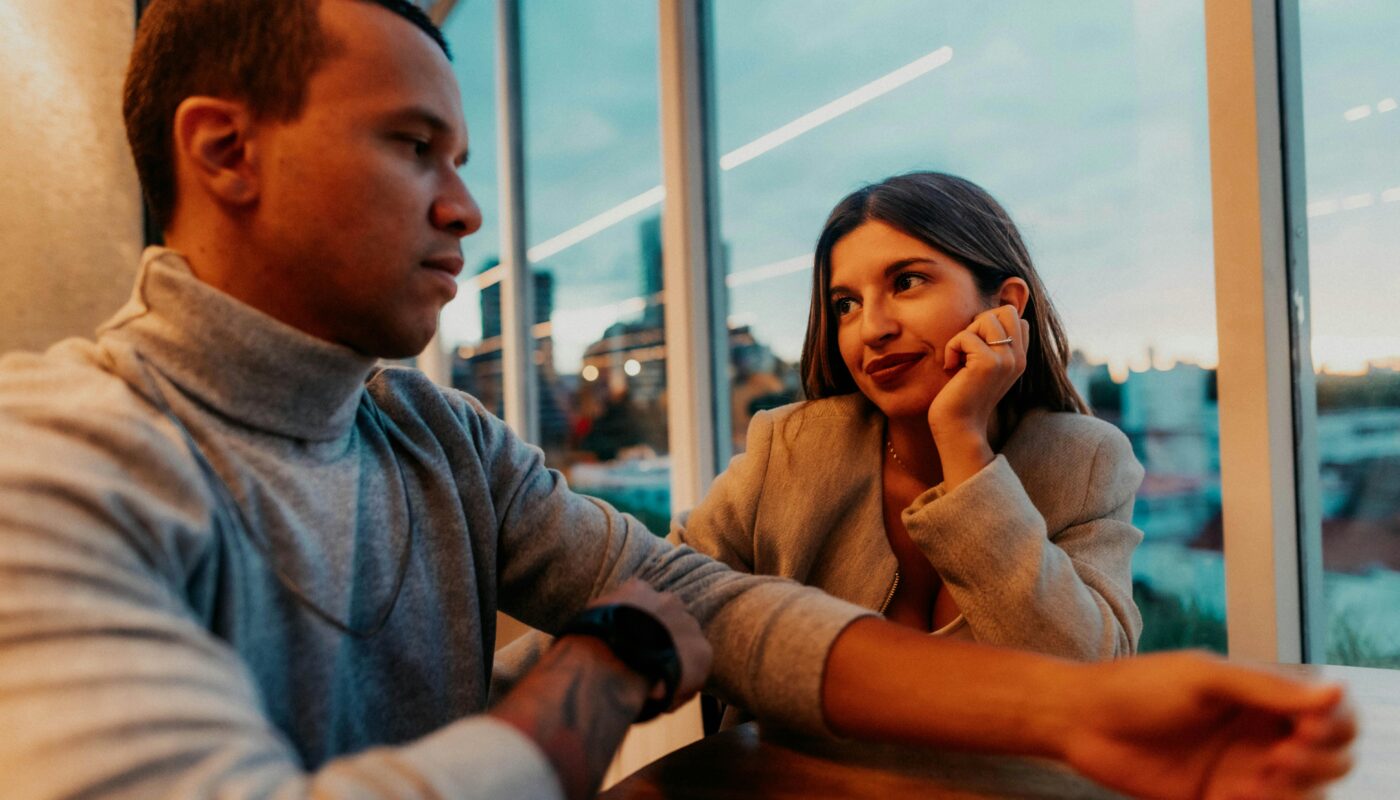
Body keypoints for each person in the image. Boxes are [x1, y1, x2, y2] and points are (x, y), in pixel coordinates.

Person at [0, 2, 1355, 799]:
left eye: (461, 155)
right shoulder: (54, 457)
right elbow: (662, 617)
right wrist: (601, 668)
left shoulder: (443, 438)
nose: (467, 208)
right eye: (413, 148)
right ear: (223, 150)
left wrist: (1074, 714)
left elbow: (705, 603)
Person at [674, 172, 1141, 663]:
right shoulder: (791, 449)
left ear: (1005, 306)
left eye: (907, 282)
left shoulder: (1085, 462)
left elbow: (1090, 672)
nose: (871, 328)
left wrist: (962, 439)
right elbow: (662, 589)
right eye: (846, 305)